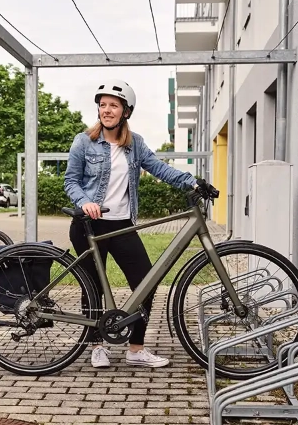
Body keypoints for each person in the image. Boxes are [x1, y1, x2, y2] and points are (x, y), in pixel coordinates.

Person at [64, 79, 199, 369]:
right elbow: (71, 181)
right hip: (89, 226)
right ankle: (96, 346)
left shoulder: (134, 143)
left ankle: (136, 349)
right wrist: (85, 202)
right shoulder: (83, 141)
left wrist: (192, 182)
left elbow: (160, 169)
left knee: (145, 284)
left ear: (126, 111)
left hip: (122, 225)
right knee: (92, 288)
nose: (106, 110)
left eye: (113, 105)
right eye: (103, 105)